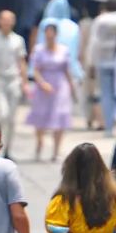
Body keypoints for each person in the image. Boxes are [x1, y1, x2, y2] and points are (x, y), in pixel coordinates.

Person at [0, 10, 30, 157]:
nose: (7, 22)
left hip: (14, 80)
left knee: (12, 118)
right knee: (2, 114)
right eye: (4, 19)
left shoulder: (18, 40)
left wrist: (25, 82)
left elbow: (21, 62)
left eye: (10, 19)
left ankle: (8, 149)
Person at [28, 24, 78, 162]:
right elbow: (35, 69)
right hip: (43, 83)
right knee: (41, 115)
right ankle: (40, 142)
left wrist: (71, 87)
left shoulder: (63, 50)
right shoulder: (39, 49)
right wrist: (41, 83)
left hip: (60, 84)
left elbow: (67, 70)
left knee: (60, 115)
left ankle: (56, 150)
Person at [84, 0, 116, 134]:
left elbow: (93, 42)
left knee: (106, 94)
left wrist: (91, 63)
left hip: (102, 60)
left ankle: (109, 127)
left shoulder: (100, 20)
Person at [77, 1, 104, 131]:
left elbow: (81, 44)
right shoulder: (101, 22)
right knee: (98, 92)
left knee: (89, 93)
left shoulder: (84, 23)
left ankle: (90, 119)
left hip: (88, 61)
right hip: (100, 60)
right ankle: (99, 119)